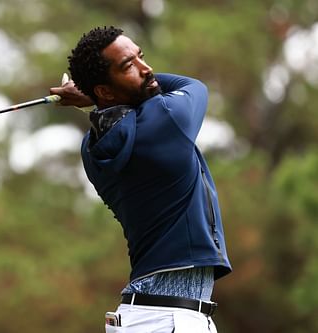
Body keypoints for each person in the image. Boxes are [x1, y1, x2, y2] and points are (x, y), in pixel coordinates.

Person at [50, 26, 232, 333]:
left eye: (141, 57)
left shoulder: (91, 148)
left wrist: (98, 93)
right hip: (168, 317)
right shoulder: (167, 118)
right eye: (128, 65)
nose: (146, 69)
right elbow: (194, 86)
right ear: (105, 89)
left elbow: (118, 117)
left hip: (154, 315)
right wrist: (92, 96)